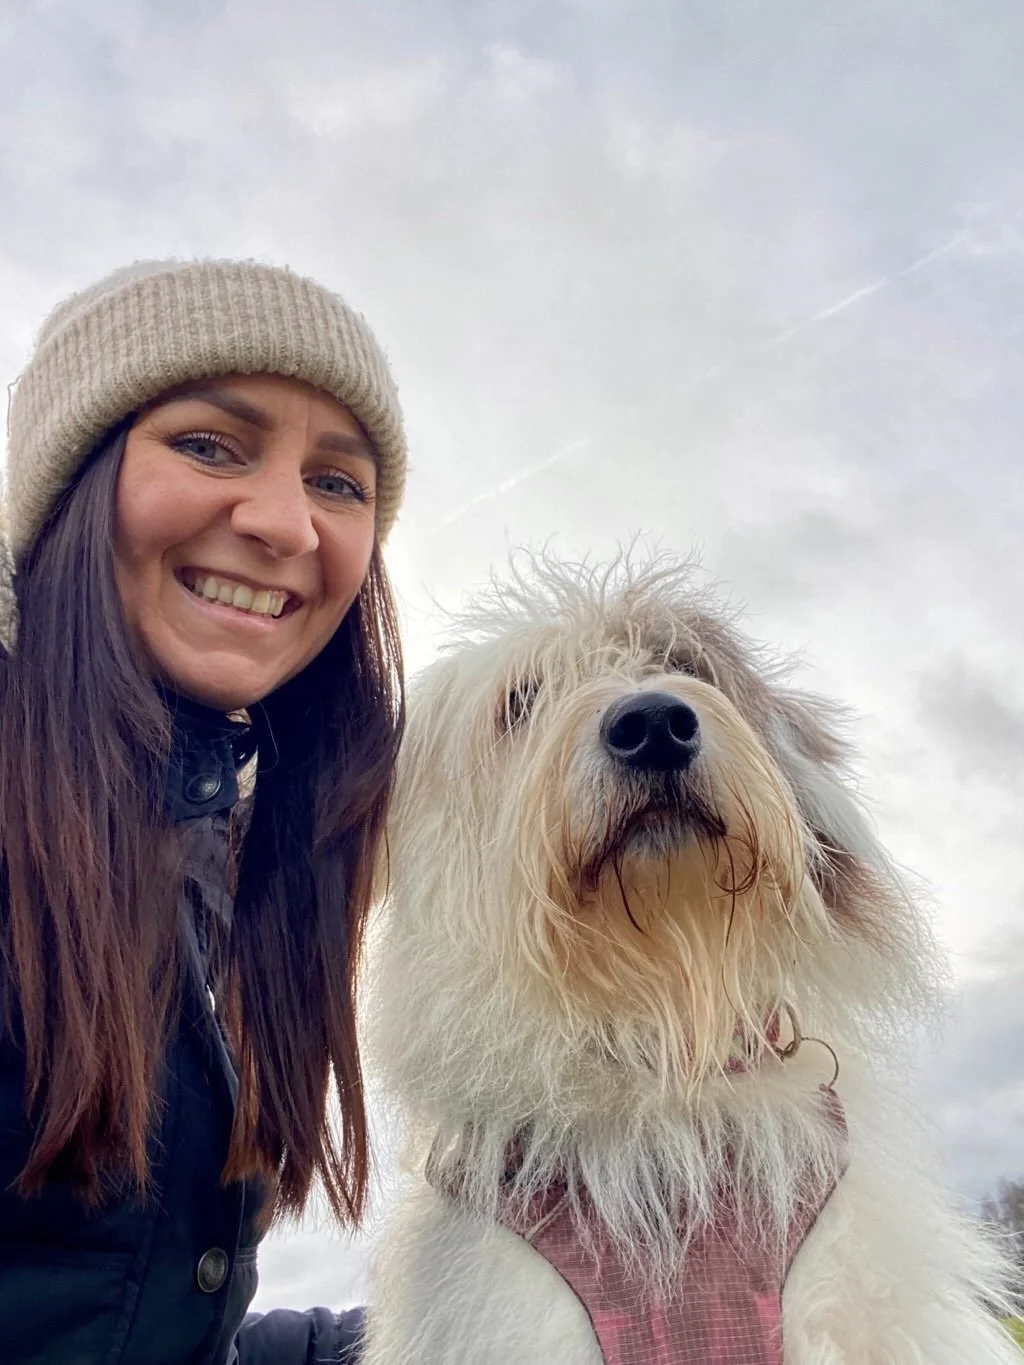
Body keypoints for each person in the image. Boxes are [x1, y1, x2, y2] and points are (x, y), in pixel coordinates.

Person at [0, 258, 406, 1364]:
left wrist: (451, 1328)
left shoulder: (225, 853)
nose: (285, 523)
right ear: (73, 480)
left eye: (338, 482)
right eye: (210, 446)